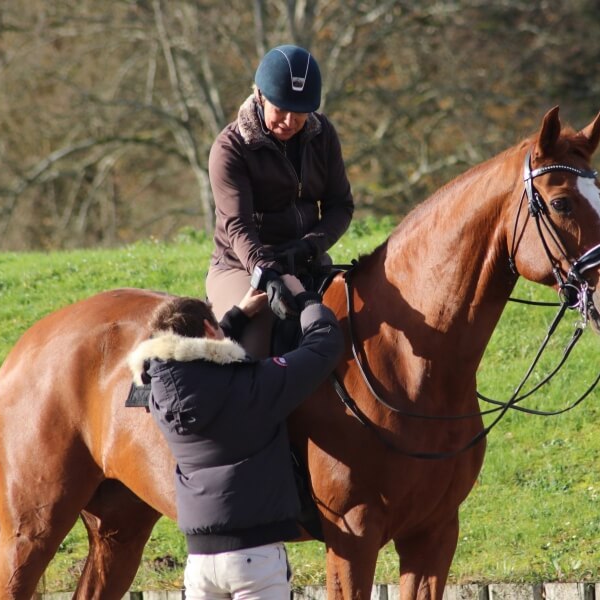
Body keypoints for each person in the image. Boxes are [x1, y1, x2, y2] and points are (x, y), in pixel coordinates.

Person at [128, 275, 344, 600]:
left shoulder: (156, 394)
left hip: (199, 564)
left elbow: (196, 361)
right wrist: (308, 300)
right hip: (254, 560)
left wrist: (234, 318)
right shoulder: (254, 384)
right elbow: (324, 345)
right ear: (209, 330)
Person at [206, 43, 354, 357]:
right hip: (244, 267)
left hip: (307, 260)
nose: (289, 121)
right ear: (260, 96)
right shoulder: (230, 149)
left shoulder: (323, 135)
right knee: (252, 349)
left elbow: (340, 205)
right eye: (280, 109)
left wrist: (310, 245)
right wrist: (268, 274)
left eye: (299, 112)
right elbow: (238, 227)